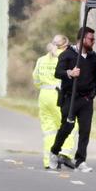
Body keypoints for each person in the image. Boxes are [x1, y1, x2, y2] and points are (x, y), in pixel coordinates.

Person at [49, 27, 96, 173]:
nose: (93, 42)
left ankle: (80, 160)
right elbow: (58, 72)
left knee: (85, 130)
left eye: (94, 39)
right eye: (91, 39)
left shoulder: (92, 56)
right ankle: (54, 152)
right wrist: (70, 72)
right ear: (82, 39)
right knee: (67, 127)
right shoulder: (68, 54)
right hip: (70, 98)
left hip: (86, 99)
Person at [32, 35, 77, 169]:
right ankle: (65, 154)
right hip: (59, 94)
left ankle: (49, 162)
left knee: (49, 131)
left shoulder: (41, 60)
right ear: (65, 46)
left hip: (44, 96)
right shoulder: (64, 58)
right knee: (69, 124)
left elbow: (36, 80)